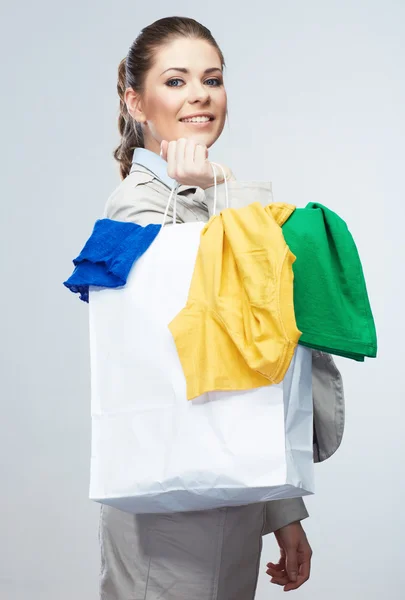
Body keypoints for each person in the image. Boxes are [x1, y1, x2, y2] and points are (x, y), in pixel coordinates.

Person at [99, 15, 313, 600]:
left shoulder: (198, 201)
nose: (199, 94)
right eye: (176, 80)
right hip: (167, 505)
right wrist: (223, 192)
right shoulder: (137, 209)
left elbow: (249, 359)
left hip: (230, 487)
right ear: (135, 100)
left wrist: (281, 510)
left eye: (212, 78)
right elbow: (188, 349)